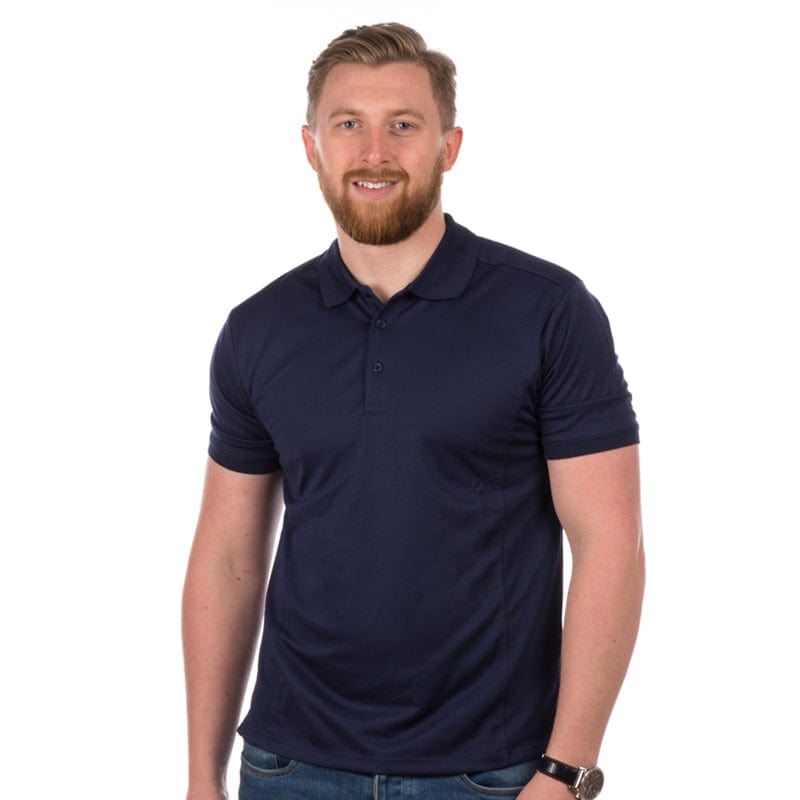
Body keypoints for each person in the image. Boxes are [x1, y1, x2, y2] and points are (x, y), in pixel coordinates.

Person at [182, 22, 645, 800]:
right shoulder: (258, 329)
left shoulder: (548, 311)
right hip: (288, 767)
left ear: (448, 147)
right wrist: (202, 775)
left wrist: (566, 771)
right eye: (348, 125)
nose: (374, 152)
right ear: (311, 147)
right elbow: (228, 556)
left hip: (490, 772)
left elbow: (610, 544)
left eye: (403, 125)